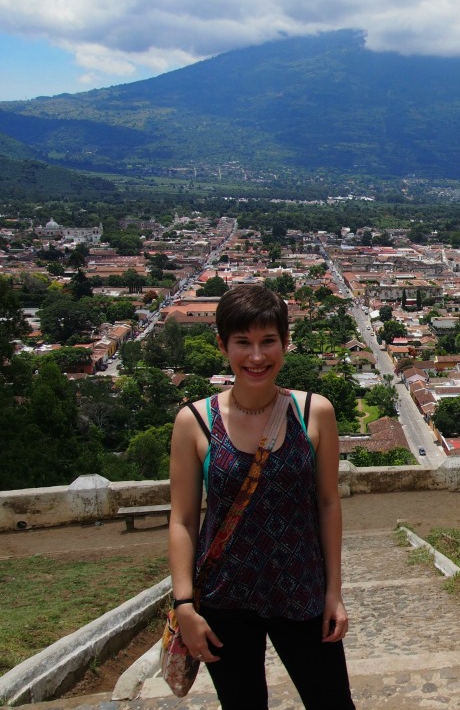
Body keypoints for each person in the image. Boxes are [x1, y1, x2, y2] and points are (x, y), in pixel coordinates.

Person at [168, 284, 355, 709]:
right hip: (225, 595)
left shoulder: (314, 413)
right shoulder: (195, 422)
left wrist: (334, 591)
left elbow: (327, 503)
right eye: (243, 343)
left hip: (301, 588)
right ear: (223, 345)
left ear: (285, 343)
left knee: (332, 703)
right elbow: (181, 520)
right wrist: (184, 605)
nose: (256, 357)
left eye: (268, 341)